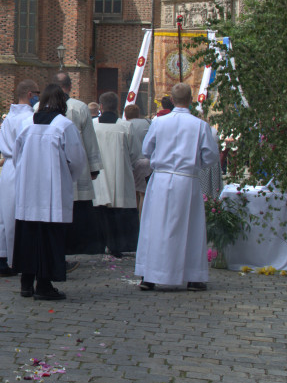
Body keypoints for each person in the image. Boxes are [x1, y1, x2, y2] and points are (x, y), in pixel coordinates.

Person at [136, 83, 220, 291]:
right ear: (190, 100)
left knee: (156, 226)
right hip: (186, 180)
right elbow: (210, 155)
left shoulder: (159, 122)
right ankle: (192, 277)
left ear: (171, 100)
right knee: (190, 228)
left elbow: (147, 149)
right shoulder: (200, 125)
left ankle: (149, 276)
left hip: (162, 180)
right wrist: (195, 163)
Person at [12, 85, 88, 301]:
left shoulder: (26, 124)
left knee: (28, 235)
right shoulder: (64, 125)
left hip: (28, 190)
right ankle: (44, 284)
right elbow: (77, 160)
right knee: (48, 237)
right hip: (52, 191)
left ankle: (26, 283)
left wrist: (26, 175)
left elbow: (17, 156)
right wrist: (66, 178)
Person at [46, 71, 103, 263]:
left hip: (48, 170)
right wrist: (93, 167)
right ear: (70, 86)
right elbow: (89, 140)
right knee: (75, 210)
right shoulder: (79, 107)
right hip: (75, 168)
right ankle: (73, 246)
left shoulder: (39, 107)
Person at [0, 80, 39, 276]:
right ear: (30, 94)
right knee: (17, 215)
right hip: (22, 165)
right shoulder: (29, 118)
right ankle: (18, 259)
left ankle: (2, 259)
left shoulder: (10, 116)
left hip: (9, 168)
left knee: (5, 215)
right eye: (37, 92)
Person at [90, 93, 142, 258]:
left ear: (101, 107)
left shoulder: (92, 126)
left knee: (100, 208)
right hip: (120, 174)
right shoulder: (125, 127)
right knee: (118, 207)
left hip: (98, 176)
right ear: (118, 107)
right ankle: (119, 245)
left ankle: (98, 245)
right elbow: (135, 154)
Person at [122, 104, 152, 213]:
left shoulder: (124, 125)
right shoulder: (148, 123)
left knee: (132, 193)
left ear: (125, 115)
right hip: (146, 160)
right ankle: (141, 219)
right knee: (143, 194)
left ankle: (133, 217)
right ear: (138, 114)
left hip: (130, 162)